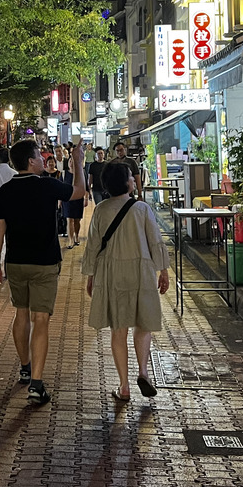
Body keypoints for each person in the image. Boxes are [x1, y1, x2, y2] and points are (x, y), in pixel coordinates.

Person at [0, 138, 86, 406]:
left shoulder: (6, 191)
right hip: (44, 261)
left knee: (21, 313)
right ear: (31, 161)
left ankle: (25, 367)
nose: (44, 160)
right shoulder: (47, 185)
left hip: (16, 261)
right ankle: (37, 383)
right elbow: (79, 191)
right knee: (40, 319)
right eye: (40, 156)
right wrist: (78, 162)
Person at [81, 161, 170, 401]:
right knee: (143, 325)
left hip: (111, 274)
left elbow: (93, 247)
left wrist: (90, 275)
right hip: (141, 272)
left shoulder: (101, 209)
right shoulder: (141, 208)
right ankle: (143, 371)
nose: (133, 178)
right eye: (131, 175)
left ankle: (124, 386)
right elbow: (155, 241)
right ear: (127, 182)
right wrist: (163, 271)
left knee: (118, 330)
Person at [61, 145, 85, 247]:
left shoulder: (81, 173)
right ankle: (71, 239)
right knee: (69, 219)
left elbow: (86, 187)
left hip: (78, 198)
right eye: (70, 161)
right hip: (67, 198)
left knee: (77, 220)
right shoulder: (64, 173)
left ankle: (76, 235)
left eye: (73, 161)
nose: (71, 163)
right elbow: (61, 187)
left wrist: (87, 198)